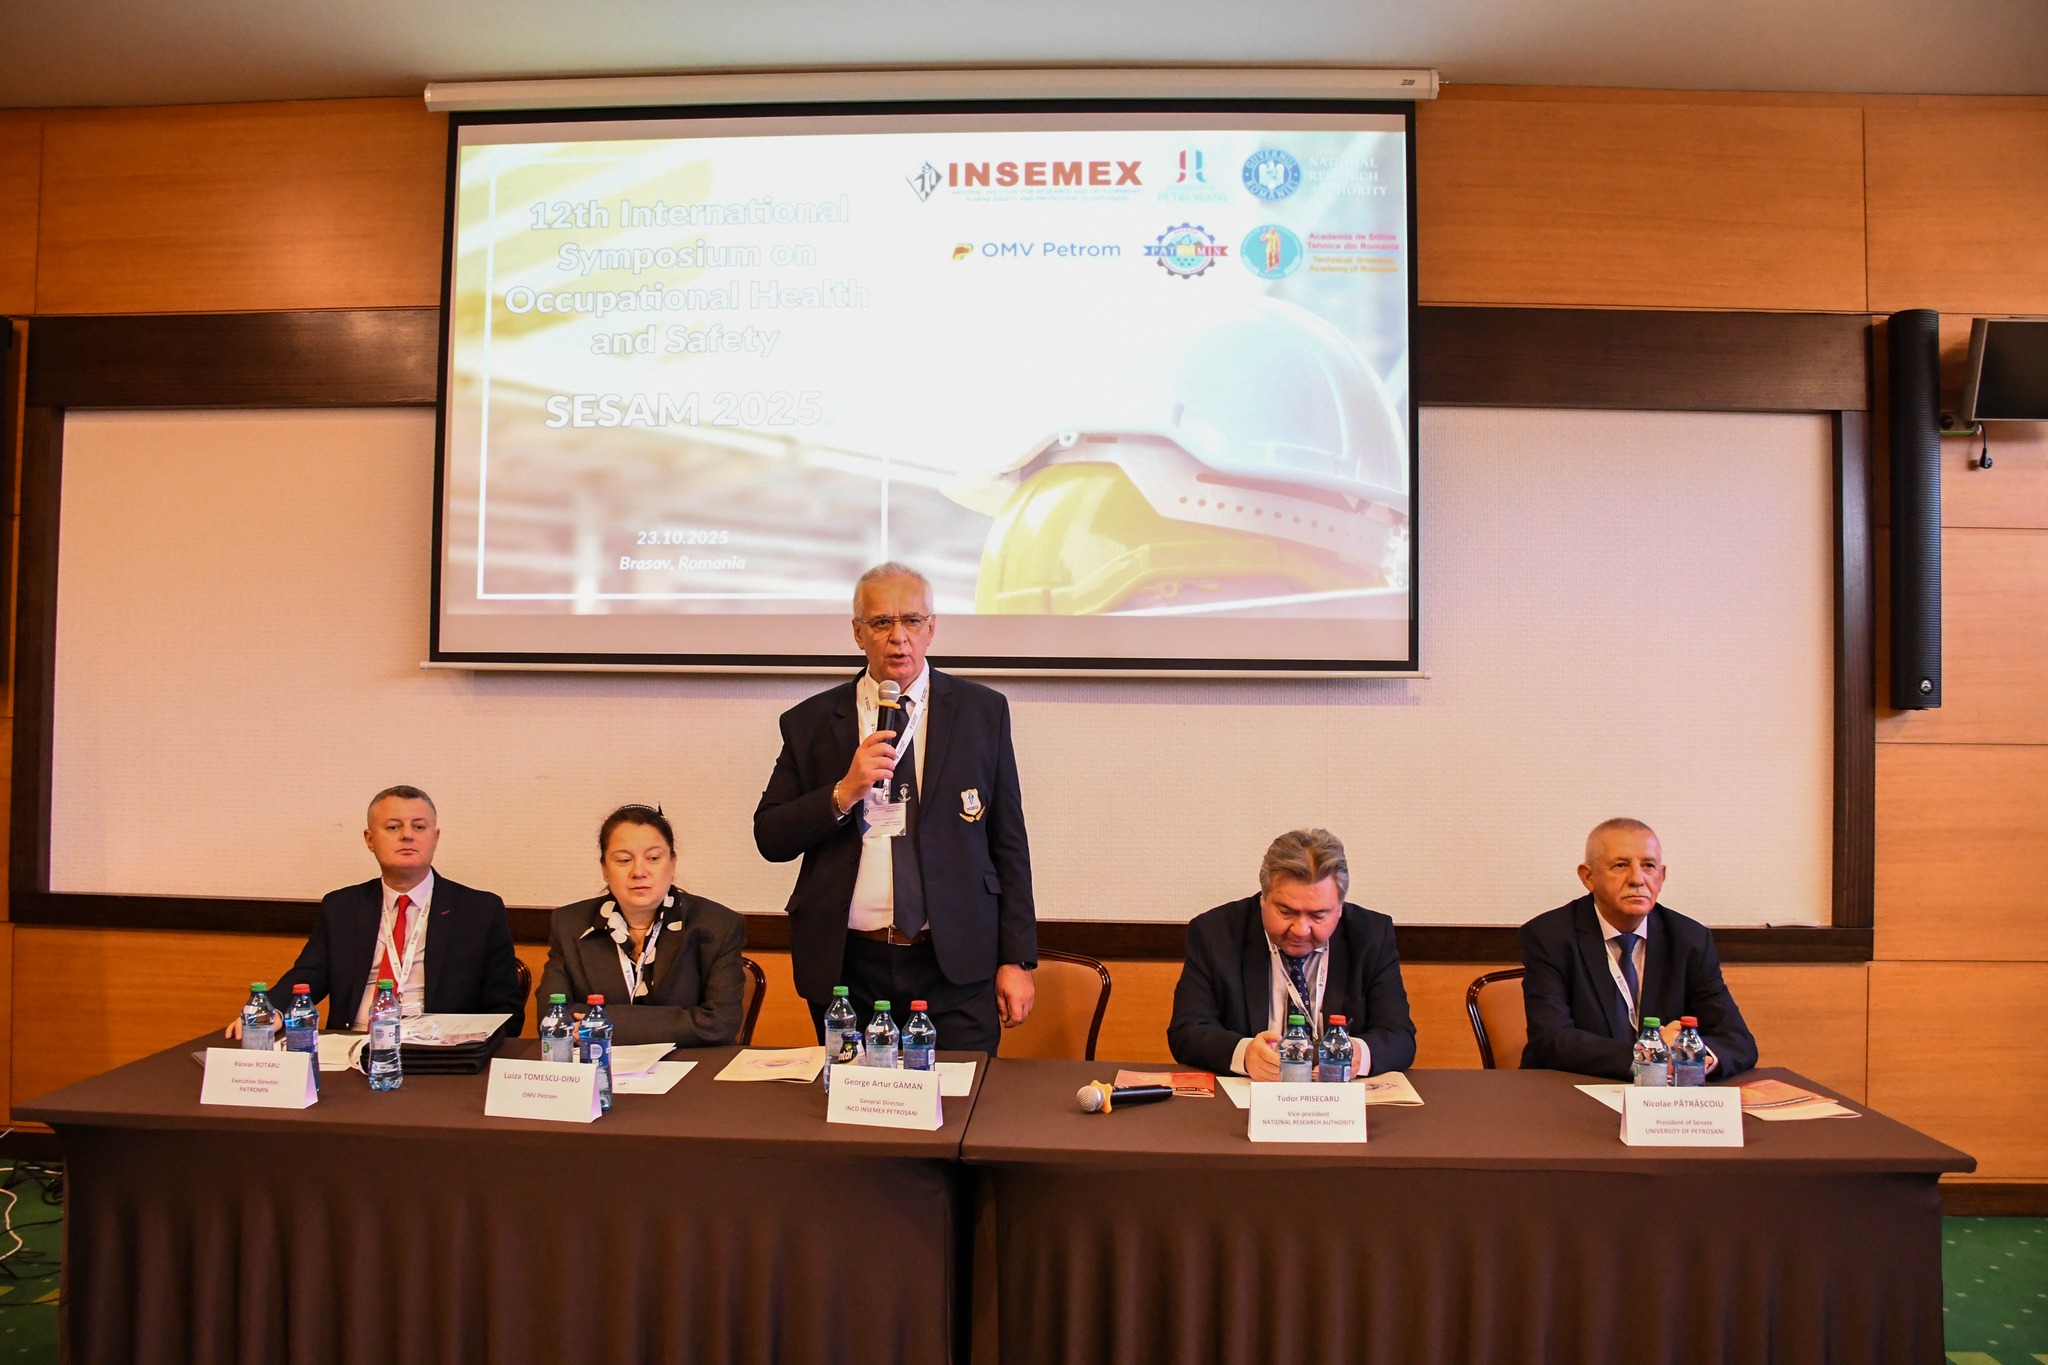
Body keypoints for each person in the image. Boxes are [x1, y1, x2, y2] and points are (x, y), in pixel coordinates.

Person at [754, 562, 1037, 1056]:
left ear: (932, 627)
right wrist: (843, 792)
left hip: (955, 965)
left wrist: (1017, 959)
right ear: (858, 633)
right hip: (848, 967)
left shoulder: (981, 712)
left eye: (911, 620)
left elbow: (1008, 842)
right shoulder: (811, 722)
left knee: (961, 1097)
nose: (898, 637)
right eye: (882, 622)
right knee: (855, 1101)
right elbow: (771, 836)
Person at [226, 785, 524, 1037]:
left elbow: (504, 1007)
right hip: (353, 1044)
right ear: (370, 839)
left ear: (435, 838)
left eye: (419, 827)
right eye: (393, 827)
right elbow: (309, 974)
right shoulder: (342, 906)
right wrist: (272, 1009)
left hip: (440, 1052)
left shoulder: (479, 911)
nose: (407, 835)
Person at [1519, 818, 1758, 1079]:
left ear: (1661, 876)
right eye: (1621, 865)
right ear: (1588, 877)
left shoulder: (1689, 940)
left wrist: (1693, 1056)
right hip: (1571, 1090)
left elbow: (1737, 1040)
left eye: (1648, 866)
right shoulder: (1549, 936)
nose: (1637, 879)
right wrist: (1649, 1055)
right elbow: (1552, 1040)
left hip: (1663, 1098)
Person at [1168, 828, 1416, 1078]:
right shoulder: (1215, 934)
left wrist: (1359, 1053)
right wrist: (1243, 1054)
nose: (1300, 930)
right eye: (1286, 912)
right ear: (1263, 898)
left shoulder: (1372, 936)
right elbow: (1187, 1030)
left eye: (1318, 915)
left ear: (1340, 909)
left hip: (1338, 1095)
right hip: (1250, 1093)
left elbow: (1399, 1036)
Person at [537, 804, 745, 1047]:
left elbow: (719, 1023)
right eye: (624, 860)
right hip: (595, 1063)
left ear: (673, 863)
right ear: (605, 869)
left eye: (653, 858)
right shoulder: (570, 924)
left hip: (690, 1066)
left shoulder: (718, 925)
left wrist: (605, 1022)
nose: (639, 872)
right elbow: (553, 1019)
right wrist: (680, 1022)